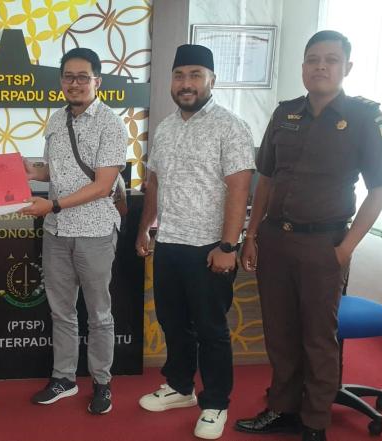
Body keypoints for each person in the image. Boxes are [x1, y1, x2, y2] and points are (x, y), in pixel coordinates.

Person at [234, 30, 382, 441]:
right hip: (276, 241)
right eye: (313, 59)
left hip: (325, 245)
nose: (321, 66)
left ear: (347, 67)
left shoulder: (364, 117)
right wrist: (252, 235)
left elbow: (380, 189)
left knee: (318, 338)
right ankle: (282, 409)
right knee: (280, 333)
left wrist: (345, 249)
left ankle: (315, 423)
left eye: (331, 60)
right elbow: (266, 179)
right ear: (303, 66)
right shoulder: (285, 113)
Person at [135, 44, 254, 440]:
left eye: (195, 75)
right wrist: (145, 228)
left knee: (211, 329)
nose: (186, 83)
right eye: (179, 75)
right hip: (169, 242)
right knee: (172, 323)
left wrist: (228, 246)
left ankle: (215, 402)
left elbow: (239, 188)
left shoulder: (230, 126)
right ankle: (180, 387)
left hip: (210, 248)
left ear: (211, 80)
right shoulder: (165, 128)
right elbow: (154, 183)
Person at [21, 47, 127, 415]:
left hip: (95, 231)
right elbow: (57, 170)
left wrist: (52, 205)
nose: (75, 83)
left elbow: (102, 185)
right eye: (69, 76)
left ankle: (102, 382)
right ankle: (64, 378)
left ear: (97, 81)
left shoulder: (111, 124)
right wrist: (32, 172)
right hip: (56, 232)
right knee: (61, 311)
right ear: (61, 81)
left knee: (99, 314)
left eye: (83, 77)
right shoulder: (55, 120)